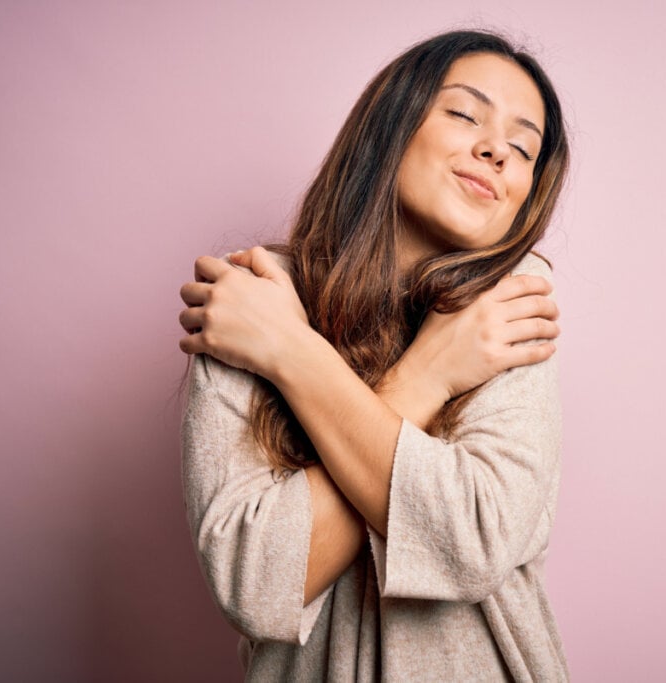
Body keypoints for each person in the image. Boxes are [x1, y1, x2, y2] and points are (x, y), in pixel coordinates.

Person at [178, 29, 571, 681]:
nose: (495, 149)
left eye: (523, 147)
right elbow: (253, 580)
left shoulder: (510, 307)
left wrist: (289, 352)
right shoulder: (256, 302)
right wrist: (426, 377)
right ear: (392, 124)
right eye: (464, 113)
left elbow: (470, 539)